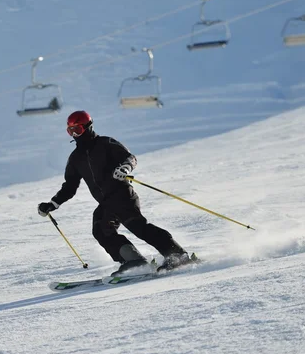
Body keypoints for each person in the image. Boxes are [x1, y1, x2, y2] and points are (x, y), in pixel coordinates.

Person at [37, 110, 191, 275]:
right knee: (101, 230)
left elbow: (130, 158)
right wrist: (53, 204)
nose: (74, 134)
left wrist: (124, 168)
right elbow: (70, 186)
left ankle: (177, 255)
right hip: (106, 203)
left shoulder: (105, 143)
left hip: (122, 195)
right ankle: (134, 261)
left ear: (88, 127)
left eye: (78, 130)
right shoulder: (76, 158)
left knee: (138, 227)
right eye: (70, 131)